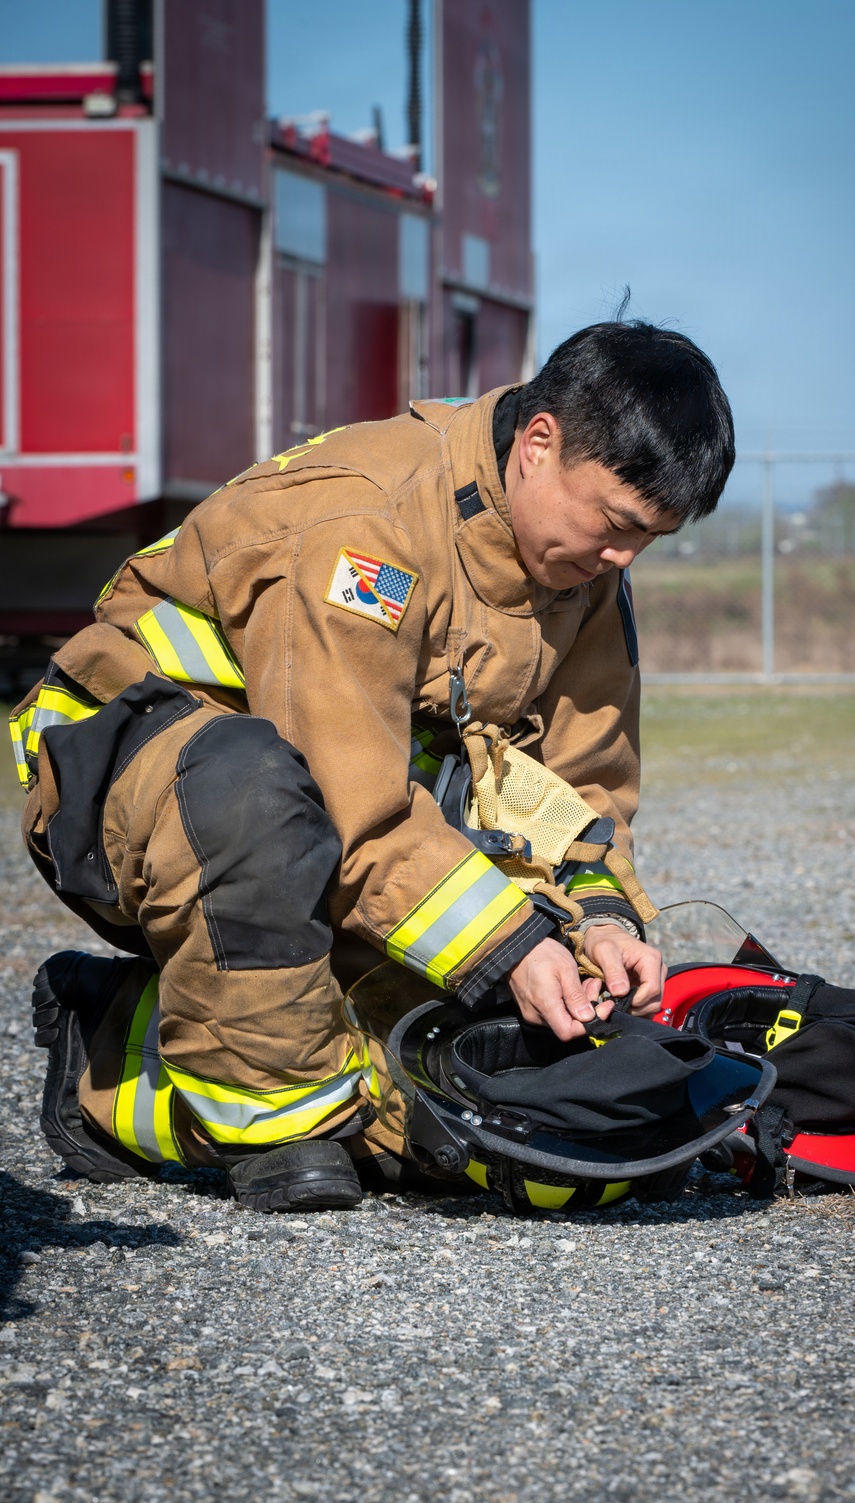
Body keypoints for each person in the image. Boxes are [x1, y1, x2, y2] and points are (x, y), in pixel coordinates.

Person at [11, 319, 735, 1211]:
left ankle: (172, 1024)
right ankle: (136, 1080)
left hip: (312, 832)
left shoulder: (579, 573)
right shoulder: (369, 525)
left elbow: (574, 788)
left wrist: (599, 920)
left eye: (650, 539)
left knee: (475, 1084)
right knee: (263, 809)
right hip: (130, 780)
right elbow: (350, 801)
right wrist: (509, 943)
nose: (623, 557)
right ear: (538, 444)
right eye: (617, 524)